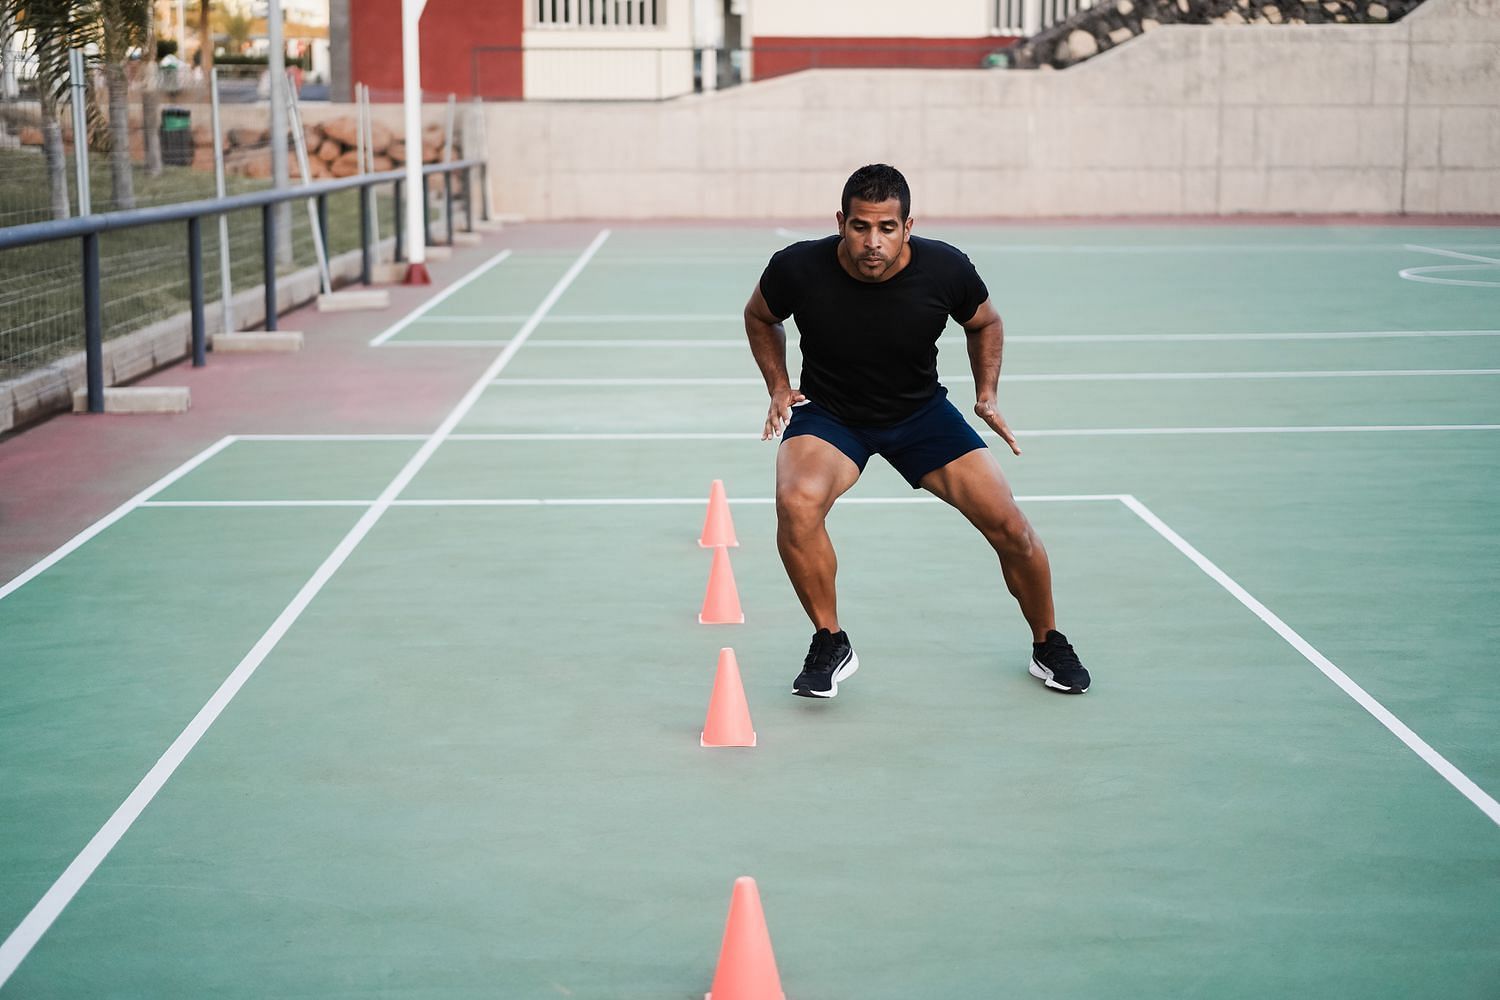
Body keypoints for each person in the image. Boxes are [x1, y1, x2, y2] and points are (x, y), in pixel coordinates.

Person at [743, 163, 1091, 698]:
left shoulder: (945, 268)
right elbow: (761, 315)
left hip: (920, 414)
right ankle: (830, 640)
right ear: (841, 222)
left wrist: (987, 394)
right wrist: (777, 385)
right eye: (861, 226)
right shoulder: (797, 268)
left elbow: (985, 322)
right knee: (796, 502)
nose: (873, 242)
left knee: (1011, 528)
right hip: (832, 414)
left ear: (909, 226)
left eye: (887, 227)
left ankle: (1049, 643)